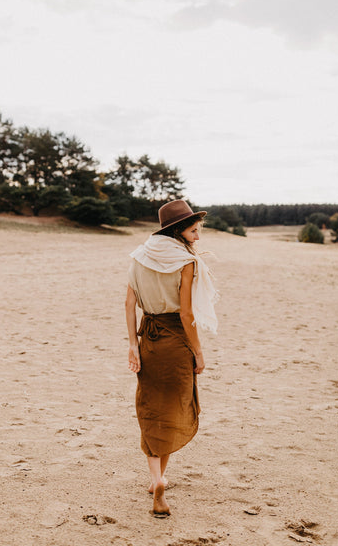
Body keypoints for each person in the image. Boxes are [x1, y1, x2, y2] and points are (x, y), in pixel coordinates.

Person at [125, 199, 218, 515]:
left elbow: (128, 304)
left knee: (150, 408)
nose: (198, 237)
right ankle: (160, 478)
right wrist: (199, 352)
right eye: (194, 231)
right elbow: (187, 314)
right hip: (176, 340)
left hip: (148, 339)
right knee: (174, 408)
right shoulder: (185, 263)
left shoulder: (139, 257)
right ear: (178, 230)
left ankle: (156, 479)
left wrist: (132, 345)